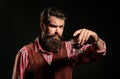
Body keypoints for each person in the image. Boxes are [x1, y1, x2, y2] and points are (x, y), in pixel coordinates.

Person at [12, 7, 106, 79]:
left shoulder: (70, 49)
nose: (58, 31)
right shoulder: (25, 53)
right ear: (42, 26)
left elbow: (99, 52)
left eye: (61, 27)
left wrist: (95, 38)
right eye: (53, 26)